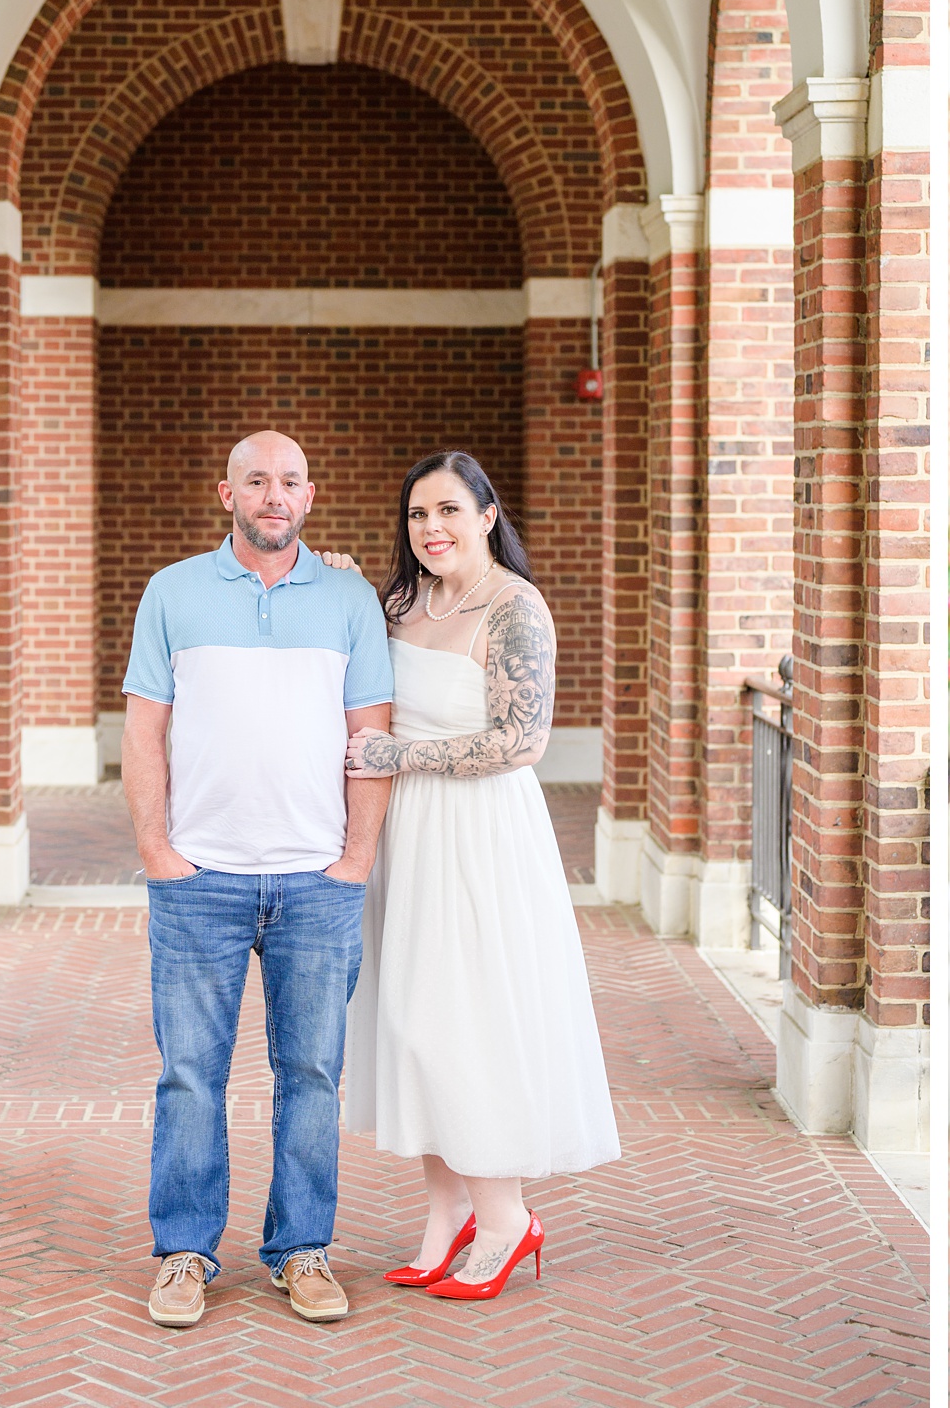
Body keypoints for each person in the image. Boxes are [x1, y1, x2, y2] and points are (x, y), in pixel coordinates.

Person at [330, 450, 619, 1300]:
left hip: (480, 836)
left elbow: (521, 743)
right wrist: (334, 575)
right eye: (419, 516)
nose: (432, 529)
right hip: (409, 838)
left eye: (450, 511)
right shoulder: (398, 604)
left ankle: (506, 1218)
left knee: (466, 1025)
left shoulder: (514, 608)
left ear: (488, 516)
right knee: (414, 1025)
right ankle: (444, 1214)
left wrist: (397, 754)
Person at [124, 431, 396, 1329]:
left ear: (309, 496)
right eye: (255, 481)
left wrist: (355, 859)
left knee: (312, 1073)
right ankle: (186, 1255)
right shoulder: (172, 593)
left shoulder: (352, 600)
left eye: (287, 482)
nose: (272, 495)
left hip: (316, 881)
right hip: (199, 879)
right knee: (190, 1077)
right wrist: (160, 851)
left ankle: (301, 1249)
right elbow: (142, 735)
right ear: (226, 493)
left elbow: (371, 741)